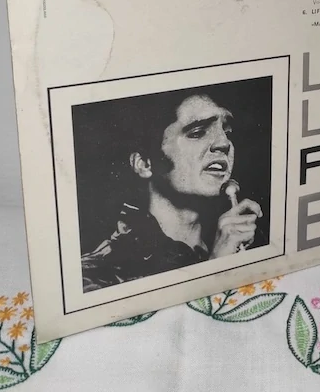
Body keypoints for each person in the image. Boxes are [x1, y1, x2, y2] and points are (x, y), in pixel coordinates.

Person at [81, 90, 263, 292]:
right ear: (145, 164)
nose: (224, 143)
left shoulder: (241, 243)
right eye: (197, 132)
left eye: (227, 132)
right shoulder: (96, 272)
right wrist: (216, 266)